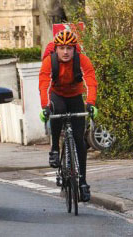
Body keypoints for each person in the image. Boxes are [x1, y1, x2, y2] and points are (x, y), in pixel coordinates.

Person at [38, 29, 98, 202]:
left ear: (74, 49)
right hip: (57, 95)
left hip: (75, 96)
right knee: (58, 110)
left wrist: (91, 103)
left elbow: (91, 81)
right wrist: (45, 106)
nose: (65, 52)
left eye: (69, 48)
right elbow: (44, 84)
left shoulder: (82, 60)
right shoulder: (50, 61)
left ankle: (83, 183)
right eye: (62, 48)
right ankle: (55, 150)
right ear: (56, 49)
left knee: (79, 140)